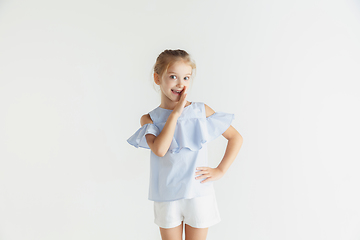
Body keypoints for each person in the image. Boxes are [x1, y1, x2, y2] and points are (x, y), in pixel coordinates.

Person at [127, 49, 243, 240]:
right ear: (157, 78)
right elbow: (160, 149)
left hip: (198, 194)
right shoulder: (149, 119)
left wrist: (220, 170)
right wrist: (175, 114)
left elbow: (235, 137)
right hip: (166, 196)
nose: (180, 84)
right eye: (173, 76)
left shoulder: (200, 111)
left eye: (186, 78)